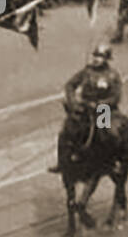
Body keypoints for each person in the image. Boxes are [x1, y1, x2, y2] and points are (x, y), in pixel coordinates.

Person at [50, 44, 122, 173]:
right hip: (85, 106)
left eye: (100, 57)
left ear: (106, 59)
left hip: (104, 109)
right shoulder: (86, 71)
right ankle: (62, 162)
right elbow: (70, 85)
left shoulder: (112, 75)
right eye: (95, 55)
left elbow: (115, 97)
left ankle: (111, 162)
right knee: (66, 131)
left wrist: (101, 104)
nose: (96, 59)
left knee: (105, 133)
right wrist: (73, 102)